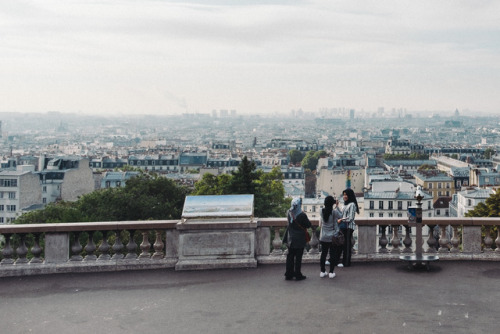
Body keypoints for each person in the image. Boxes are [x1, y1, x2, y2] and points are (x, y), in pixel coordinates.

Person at [283, 197, 311, 281]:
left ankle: (288, 274)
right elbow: (308, 225)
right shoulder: (302, 215)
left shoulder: (289, 212)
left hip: (290, 238)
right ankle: (298, 274)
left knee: (290, 256)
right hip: (299, 238)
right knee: (298, 257)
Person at [318, 196, 342, 278]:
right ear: (332, 203)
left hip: (323, 236)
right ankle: (331, 272)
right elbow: (341, 216)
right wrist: (337, 206)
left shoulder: (321, 211)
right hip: (332, 237)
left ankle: (322, 271)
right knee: (332, 255)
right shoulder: (334, 212)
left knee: (323, 254)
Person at [337, 188, 359, 267]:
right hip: (344, 227)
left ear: (349, 195)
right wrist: (337, 207)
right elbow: (342, 214)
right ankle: (344, 261)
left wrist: (341, 220)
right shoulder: (345, 205)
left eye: (346, 194)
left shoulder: (352, 204)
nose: (344, 196)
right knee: (344, 244)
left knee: (347, 245)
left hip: (349, 227)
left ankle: (346, 262)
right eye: (344, 194)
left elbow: (350, 218)